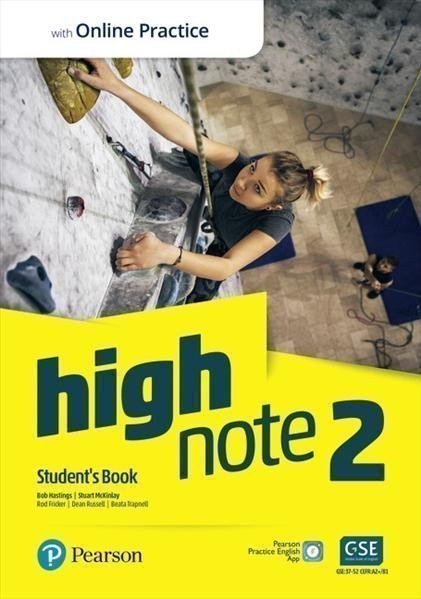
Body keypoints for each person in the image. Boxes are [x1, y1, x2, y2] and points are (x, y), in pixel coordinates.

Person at [69, 59, 331, 301]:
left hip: (224, 243)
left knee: (197, 296)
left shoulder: (277, 222)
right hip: (217, 192)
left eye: (258, 189)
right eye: (252, 168)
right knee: (195, 146)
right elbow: (184, 134)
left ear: (272, 206)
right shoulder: (239, 171)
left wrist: (165, 253)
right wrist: (116, 86)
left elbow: (226, 266)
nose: (243, 181)